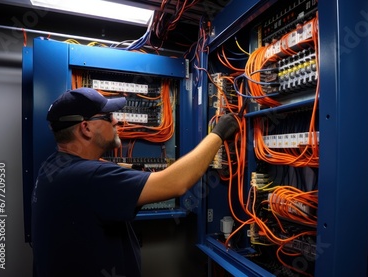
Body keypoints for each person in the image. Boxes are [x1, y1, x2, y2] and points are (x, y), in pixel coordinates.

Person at [31, 87, 239, 277]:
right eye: (108, 116)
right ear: (85, 128)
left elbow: (98, 170)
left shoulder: (52, 167)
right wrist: (219, 133)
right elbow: (177, 184)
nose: (116, 121)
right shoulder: (90, 177)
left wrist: (133, 168)